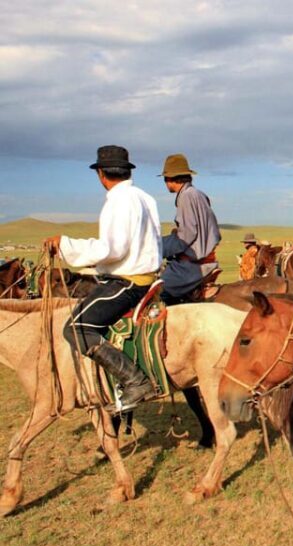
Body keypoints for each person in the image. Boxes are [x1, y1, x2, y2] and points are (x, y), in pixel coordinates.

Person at [44, 145, 162, 412]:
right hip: (146, 277)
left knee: (75, 328)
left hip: (128, 281)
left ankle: (134, 380)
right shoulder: (144, 197)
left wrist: (64, 245)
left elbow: (112, 249)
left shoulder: (119, 201)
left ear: (101, 174)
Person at [158, 154, 221, 303]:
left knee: (157, 290)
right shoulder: (198, 194)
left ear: (171, 178)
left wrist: (157, 247)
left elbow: (187, 235)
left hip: (191, 266)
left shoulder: (186, 196)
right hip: (204, 259)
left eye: (165, 178)